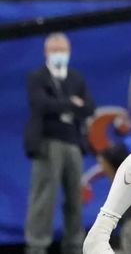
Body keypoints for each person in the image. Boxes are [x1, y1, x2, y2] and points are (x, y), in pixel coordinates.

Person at [24, 32, 95, 254]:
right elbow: (41, 105)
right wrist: (71, 103)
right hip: (48, 143)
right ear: (46, 52)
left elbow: (89, 107)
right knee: (44, 197)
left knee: (75, 198)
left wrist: (64, 105)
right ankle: (36, 245)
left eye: (62, 50)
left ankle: (74, 245)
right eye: (54, 50)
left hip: (73, 143)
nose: (59, 54)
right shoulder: (37, 77)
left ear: (69, 51)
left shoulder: (75, 77)